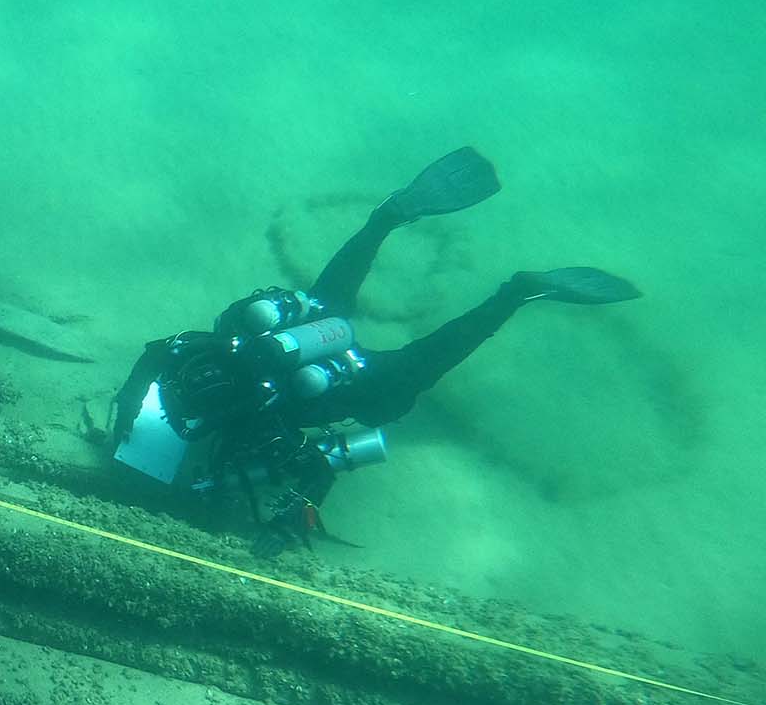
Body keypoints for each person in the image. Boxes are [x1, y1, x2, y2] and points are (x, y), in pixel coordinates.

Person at [100, 147, 640, 554]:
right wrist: (129, 401)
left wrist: (293, 518)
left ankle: (515, 293)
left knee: (403, 384)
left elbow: (319, 467)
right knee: (327, 301)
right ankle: (390, 215)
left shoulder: (255, 421)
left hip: (346, 378)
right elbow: (153, 354)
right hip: (302, 330)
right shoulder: (208, 348)